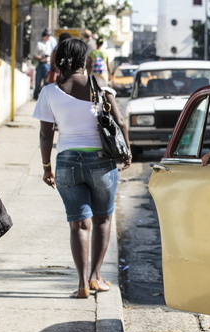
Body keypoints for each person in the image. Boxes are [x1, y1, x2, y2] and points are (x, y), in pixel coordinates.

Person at [32, 38, 132, 299]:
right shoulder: (99, 85)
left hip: (66, 163)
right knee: (103, 219)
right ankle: (96, 276)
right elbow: (120, 121)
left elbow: (46, 135)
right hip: (101, 162)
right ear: (83, 60)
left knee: (78, 225)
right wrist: (128, 151)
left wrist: (46, 167)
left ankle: (81, 284)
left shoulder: (49, 92)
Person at [33, 30, 56, 99]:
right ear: (44, 36)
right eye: (48, 36)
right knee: (38, 81)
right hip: (40, 63)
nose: (49, 37)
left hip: (47, 63)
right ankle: (35, 95)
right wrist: (41, 57)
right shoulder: (39, 44)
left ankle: (45, 96)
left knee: (47, 81)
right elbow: (34, 54)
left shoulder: (50, 44)